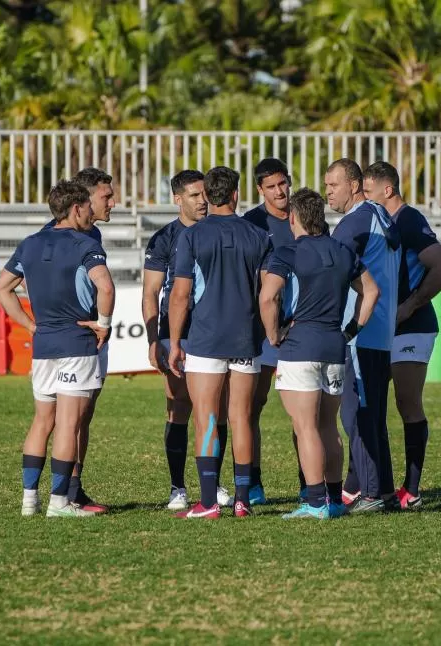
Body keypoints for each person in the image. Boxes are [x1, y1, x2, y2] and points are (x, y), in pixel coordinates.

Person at [0, 180, 115, 518]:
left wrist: (30, 325)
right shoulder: (82, 243)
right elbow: (105, 285)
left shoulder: (30, 244)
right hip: (76, 343)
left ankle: (29, 501)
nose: (92, 210)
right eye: (88, 206)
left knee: (41, 421)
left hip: (43, 345)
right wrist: (103, 322)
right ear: (76, 209)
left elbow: (1, 288)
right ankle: (59, 503)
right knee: (68, 425)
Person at [260, 188, 380, 519]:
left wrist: (273, 336)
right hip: (334, 344)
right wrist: (352, 330)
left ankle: (315, 503)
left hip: (300, 346)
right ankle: (334, 500)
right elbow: (371, 291)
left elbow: (268, 297)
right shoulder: (343, 252)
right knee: (328, 426)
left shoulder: (287, 252)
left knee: (305, 426)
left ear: (293, 218)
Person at [168, 166, 272, 519]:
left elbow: (180, 296)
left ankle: (209, 502)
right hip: (245, 338)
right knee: (241, 418)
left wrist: (176, 341)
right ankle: (242, 500)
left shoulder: (192, 237)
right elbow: (271, 292)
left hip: (205, 339)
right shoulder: (258, 236)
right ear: (236, 194)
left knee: (206, 420)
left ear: (208, 196)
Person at [363, 162, 441, 509]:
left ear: (388, 191)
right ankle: (374, 485)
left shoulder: (409, 220)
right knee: (370, 403)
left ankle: (411, 489)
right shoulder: (378, 222)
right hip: (384, 326)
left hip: (411, 327)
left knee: (406, 403)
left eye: (369, 193)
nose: (365, 200)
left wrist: (411, 305)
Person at [142, 170, 231, 510]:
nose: (202, 200)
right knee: (178, 407)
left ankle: (216, 483)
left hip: (213, 330)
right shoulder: (164, 238)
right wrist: (154, 338)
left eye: (205, 194)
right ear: (178, 199)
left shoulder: (219, 232)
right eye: (194, 195)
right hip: (176, 332)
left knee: (216, 410)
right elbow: (151, 292)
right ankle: (177, 488)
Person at [325, 158, 401, 513]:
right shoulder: (379, 214)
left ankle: (370, 493)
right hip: (380, 332)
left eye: (334, 185)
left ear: (354, 185)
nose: (329, 192)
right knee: (371, 416)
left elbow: (332, 268)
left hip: (360, 332)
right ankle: (382, 489)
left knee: (357, 415)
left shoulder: (354, 222)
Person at [38, 167, 115, 513]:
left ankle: (73, 488)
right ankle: (62, 493)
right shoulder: (53, 235)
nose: (112, 202)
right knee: (65, 416)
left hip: (88, 335)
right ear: (82, 201)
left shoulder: (91, 235)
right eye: (106, 196)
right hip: (71, 338)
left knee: (82, 414)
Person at [242, 157, 302, 504]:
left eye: (283, 183)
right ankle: (253, 482)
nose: (280, 192)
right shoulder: (252, 223)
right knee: (253, 406)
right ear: (260, 190)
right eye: (271, 187)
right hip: (263, 330)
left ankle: (308, 480)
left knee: (302, 409)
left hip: (298, 327)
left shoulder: (304, 216)